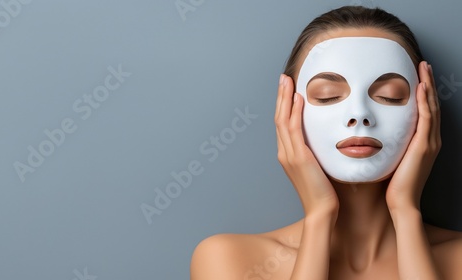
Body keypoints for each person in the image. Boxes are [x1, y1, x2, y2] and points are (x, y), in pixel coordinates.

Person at [190, 5, 462, 280]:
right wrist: (319, 215)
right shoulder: (230, 260)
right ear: (288, 114)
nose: (359, 114)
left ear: (426, 109)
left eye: (389, 96)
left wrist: (406, 211)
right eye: (327, 95)